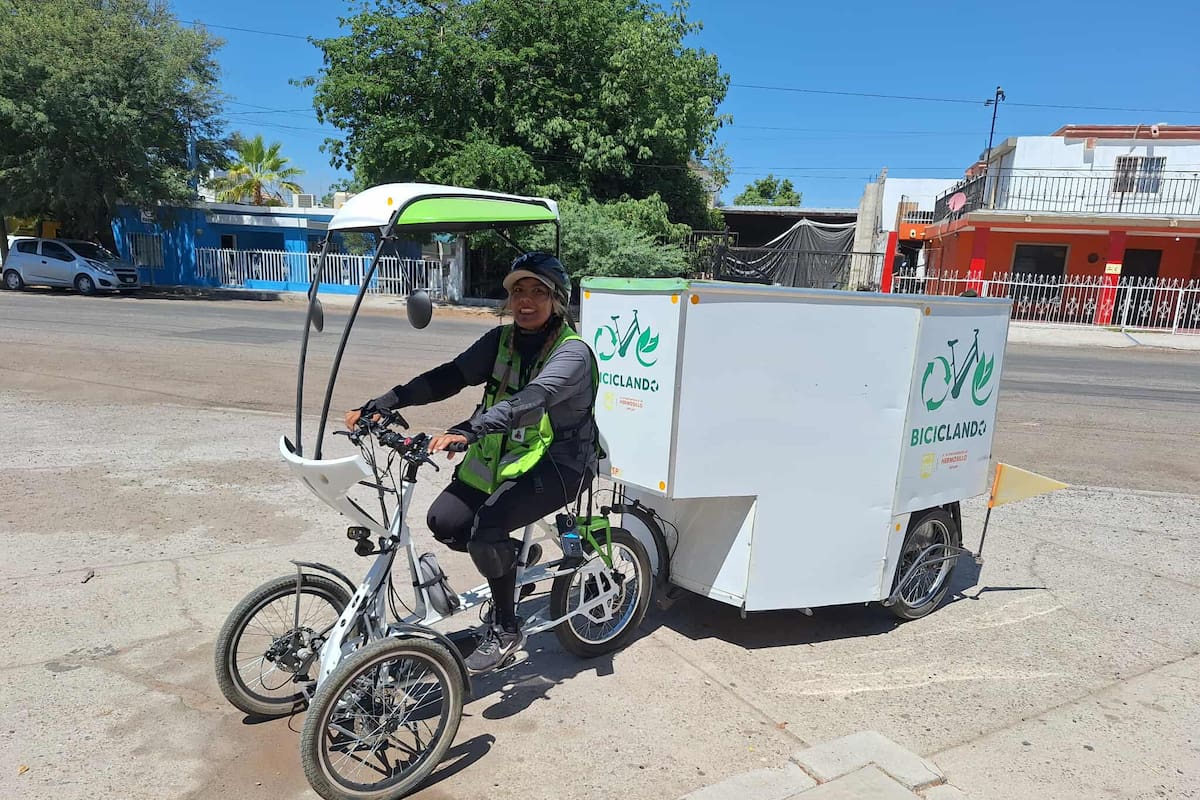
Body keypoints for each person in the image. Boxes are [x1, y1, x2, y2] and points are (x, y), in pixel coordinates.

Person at [344, 252, 599, 673]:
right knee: (444, 522)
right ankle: (511, 558)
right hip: (507, 455)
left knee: (486, 532)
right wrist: (384, 402)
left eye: (538, 291)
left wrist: (469, 430)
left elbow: (531, 400)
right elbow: (450, 376)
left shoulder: (573, 354)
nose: (526, 301)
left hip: (561, 463)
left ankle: (505, 626)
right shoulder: (502, 340)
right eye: (518, 291)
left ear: (558, 299)